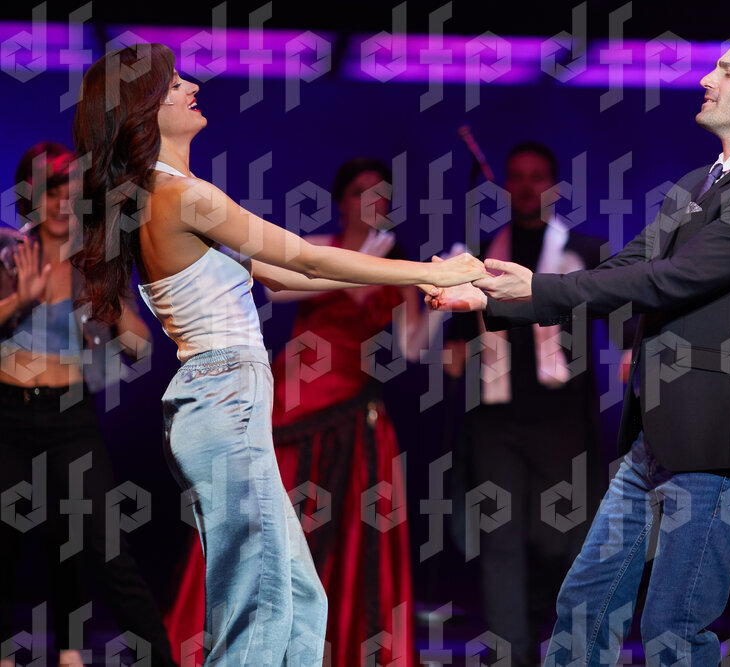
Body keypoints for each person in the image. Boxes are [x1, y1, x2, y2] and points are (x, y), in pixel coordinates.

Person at [71, 44, 486, 666]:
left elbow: (286, 277)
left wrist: (415, 274)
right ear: (146, 107)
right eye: (175, 83)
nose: (192, 86)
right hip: (225, 396)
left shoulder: (168, 195)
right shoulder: (181, 196)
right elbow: (304, 257)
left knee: (299, 599)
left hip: (221, 399)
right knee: (261, 607)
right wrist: (433, 269)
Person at [431, 23, 730, 666]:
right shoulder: (700, 181)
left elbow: (672, 280)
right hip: (658, 436)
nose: (707, 79)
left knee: (675, 626)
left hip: (719, 439)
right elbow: (626, 266)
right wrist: (498, 296)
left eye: (727, 71)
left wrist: (535, 291)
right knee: (585, 606)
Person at [163, 157, 435, 666]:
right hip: (297, 398)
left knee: (348, 528)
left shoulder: (394, 266)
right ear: (342, 202)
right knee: (260, 512)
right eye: (361, 192)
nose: (373, 202)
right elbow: (277, 286)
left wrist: (437, 295)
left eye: (382, 193)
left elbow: (413, 346)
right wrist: (361, 267)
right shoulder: (323, 249)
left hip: (354, 401)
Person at [0, 143, 177, 667]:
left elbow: (142, 347)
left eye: (71, 189)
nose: (62, 201)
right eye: (51, 189)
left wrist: (107, 303)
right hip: (7, 414)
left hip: (70, 417)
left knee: (101, 543)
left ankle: (152, 660)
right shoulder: (10, 252)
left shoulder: (96, 263)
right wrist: (20, 298)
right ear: (31, 196)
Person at [445, 142, 608, 666]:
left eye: (537, 176)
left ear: (554, 186)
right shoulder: (480, 253)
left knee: (560, 538)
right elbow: (456, 339)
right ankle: (510, 654)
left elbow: (622, 315)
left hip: (562, 418)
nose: (526, 186)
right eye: (516, 176)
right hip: (496, 418)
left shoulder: (584, 249)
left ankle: (563, 647)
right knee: (500, 538)